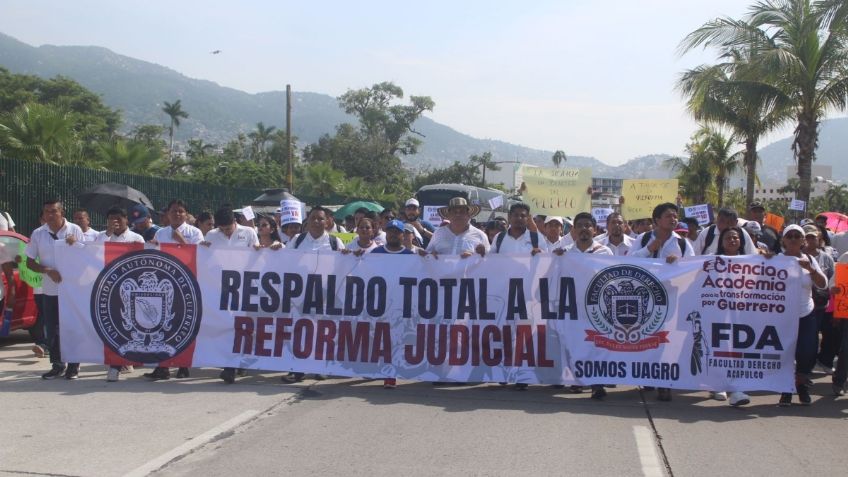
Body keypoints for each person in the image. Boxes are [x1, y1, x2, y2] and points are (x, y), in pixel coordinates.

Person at [629, 202, 695, 401]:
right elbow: (630, 260)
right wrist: (650, 249)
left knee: (668, 339)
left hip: (672, 296)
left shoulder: (682, 243)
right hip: (646, 296)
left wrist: (679, 263)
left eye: (675, 216)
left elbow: (692, 266)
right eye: (668, 216)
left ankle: (664, 382)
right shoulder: (644, 238)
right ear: (657, 220)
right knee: (648, 337)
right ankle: (649, 374)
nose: (673, 219)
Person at [555, 212, 613, 399]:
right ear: (573, 230)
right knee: (575, 343)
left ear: (594, 229)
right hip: (573, 307)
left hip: (597, 308)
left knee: (597, 345)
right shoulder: (565, 253)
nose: (583, 229)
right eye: (579, 225)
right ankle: (577, 380)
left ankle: (597, 383)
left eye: (587, 225)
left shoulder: (604, 252)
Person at [283, 206, 344, 384]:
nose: (317, 222)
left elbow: (343, 266)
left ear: (327, 222)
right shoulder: (297, 240)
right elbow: (285, 261)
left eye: (320, 218)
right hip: (301, 293)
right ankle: (297, 369)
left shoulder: (335, 243)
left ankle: (322, 367)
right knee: (300, 331)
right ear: (307, 221)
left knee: (324, 332)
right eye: (313, 218)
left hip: (326, 294)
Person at [25, 199, 84, 379]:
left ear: (61, 212)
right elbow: (29, 262)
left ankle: (74, 365)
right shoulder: (38, 234)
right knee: (53, 329)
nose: (50, 215)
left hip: (72, 289)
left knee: (72, 327)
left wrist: (76, 245)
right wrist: (47, 270)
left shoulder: (75, 230)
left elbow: (86, 257)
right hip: (50, 290)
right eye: (46, 212)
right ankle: (57, 364)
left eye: (53, 211)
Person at [145, 199, 204, 380]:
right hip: (164, 285)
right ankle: (162, 366)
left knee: (183, 326)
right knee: (162, 325)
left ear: (186, 214)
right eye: (173, 211)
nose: (177, 214)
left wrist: (182, 242)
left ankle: (183, 365)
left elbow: (200, 256)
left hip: (186, 285)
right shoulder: (161, 233)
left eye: (180, 211)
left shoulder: (195, 232)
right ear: (168, 214)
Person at [202, 207, 260, 384]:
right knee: (227, 325)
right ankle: (231, 364)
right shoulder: (212, 235)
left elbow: (258, 256)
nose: (226, 232)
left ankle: (238, 361)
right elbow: (206, 259)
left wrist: (259, 250)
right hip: (222, 287)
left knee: (243, 326)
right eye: (223, 229)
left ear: (235, 222)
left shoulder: (249, 232)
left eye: (228, 228)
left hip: (245, 286)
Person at [772, 224, 827, 406]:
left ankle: (802, 385)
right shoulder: (775, 259)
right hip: (782, 316)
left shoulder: (810, 259)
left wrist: (810, 269)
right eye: (790, 236)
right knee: (785, 353)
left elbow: (822, 284)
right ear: (783, 240)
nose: (794, 239)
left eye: (798, 236)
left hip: (806, 313)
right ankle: (786, 390)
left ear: (804, 240)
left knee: (806, 353)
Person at [88, 207, 144, 382]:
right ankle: (115, 364)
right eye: (112, 219)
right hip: (108, 288)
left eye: (119, 218)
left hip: (130, 289)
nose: (116, 222)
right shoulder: (101, 237)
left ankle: (125, 360)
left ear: (127, 220)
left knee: (129, 326)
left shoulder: (136, 238)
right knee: (113, 326)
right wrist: (108, 234)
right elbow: (92, 253)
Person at [707, 226, 754, 406]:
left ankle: (736, 389)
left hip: (742, 314)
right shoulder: (712, 260)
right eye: (728, 238)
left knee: (738, 350)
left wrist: (768, 259)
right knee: (718, 347)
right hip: (717, 312)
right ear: (721, 242)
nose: (732, 240)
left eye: (735, 238)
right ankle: (718, 384)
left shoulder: (751, 261)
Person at [370, 219, 417, 389]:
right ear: (386, 232)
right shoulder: (375, 253)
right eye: (390, 231)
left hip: (401, 305)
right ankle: (373, 369)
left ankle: (391, 374)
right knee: (377, 338)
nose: (393, 234)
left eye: (397, 232)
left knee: (395, 340)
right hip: (379, 304)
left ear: (402, 235)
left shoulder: (411, 257)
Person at [802, 225, 838, 376]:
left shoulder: (827, 258)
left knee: (831, 334)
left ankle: (824, 361)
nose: (810, 240)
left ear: (819, 240)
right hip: (805, 305)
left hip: (824, 305)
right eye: (807, 237)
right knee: (810, 337)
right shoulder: (796, 256)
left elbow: (833, 279)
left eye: (813, 237)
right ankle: (806, 366)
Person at [424, 198, 490, 258]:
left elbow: (489, 260)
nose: (458, 215)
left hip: (469, 271)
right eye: (454, 212)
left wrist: (475, 256)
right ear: (448, 215)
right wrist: (431, 254)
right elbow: (427, 254)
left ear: (468, 215)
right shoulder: (438, 233)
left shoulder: (480, 235)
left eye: (462, 212)